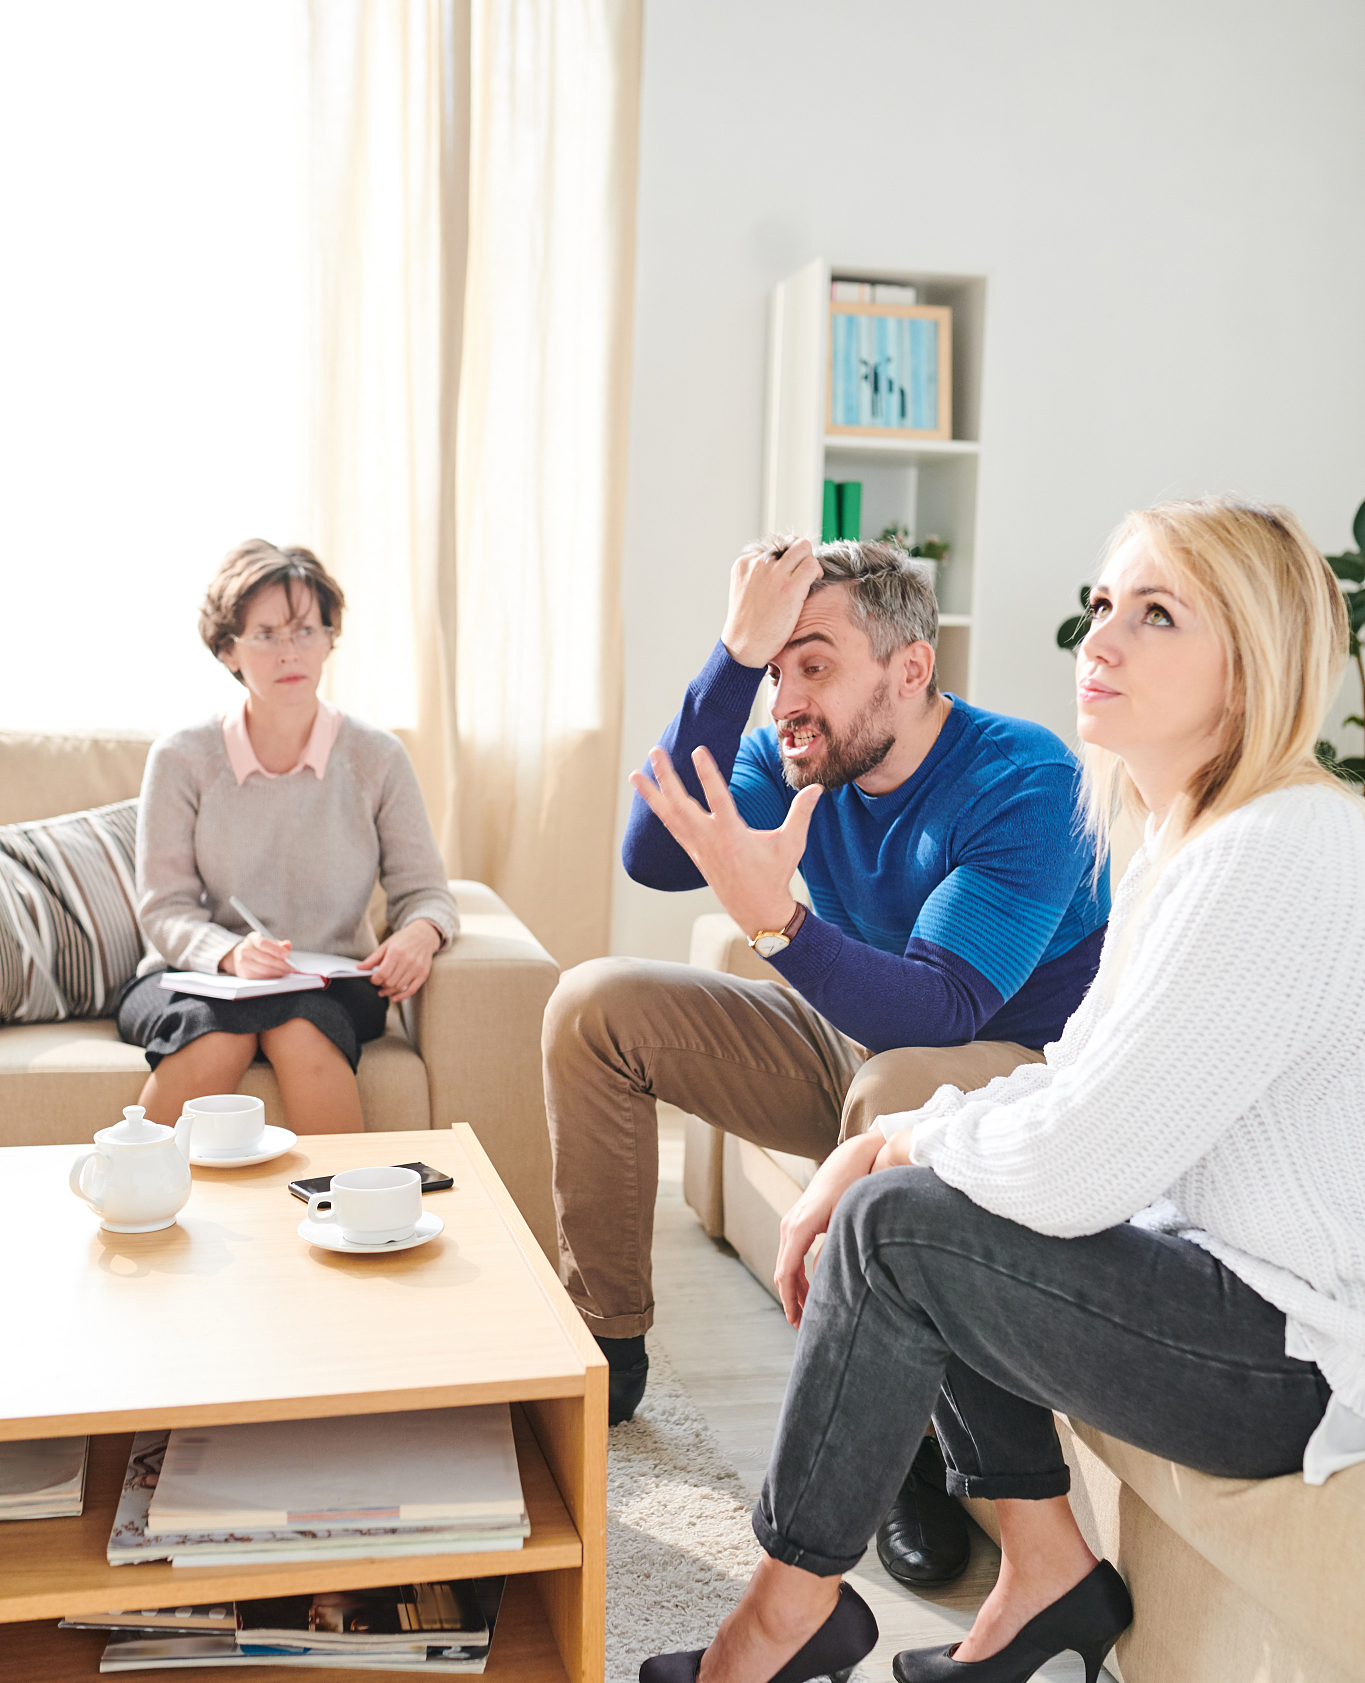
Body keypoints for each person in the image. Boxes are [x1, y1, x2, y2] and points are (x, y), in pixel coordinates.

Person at [637, 494, 1365, 1683]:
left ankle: (787, 1606)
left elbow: (1073, 1159)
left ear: (1252, 661)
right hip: (1219, 1282)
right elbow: (1078, 1076)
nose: (1100, 639)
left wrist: (883, 1141)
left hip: (1292, 1353)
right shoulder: (1188, 837)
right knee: (921, 1187)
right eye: (1101, 607)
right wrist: (887, 1141)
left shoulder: (1277, 853)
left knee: (899, 1220)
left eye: (1155, 613)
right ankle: (1047, 1571)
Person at [543, 535, 1108, 1587]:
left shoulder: (1024, 781)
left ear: (909, 670)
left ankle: (896, 1449)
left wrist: (780, 922)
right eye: (774, 667)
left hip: (1019, 1069)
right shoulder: (800, 751)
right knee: (593, 1004)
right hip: (858, 1039)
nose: (785, 697)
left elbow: (943, 1008)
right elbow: (653, 852)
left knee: (898, 1081)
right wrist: (732, 650)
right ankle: (608, 1347)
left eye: (815, 663)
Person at [117, 540, 458, 1132]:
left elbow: (427, 892)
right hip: (200, 979)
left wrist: (419, 936)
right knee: (216, 1038)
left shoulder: (377, 758)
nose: (289, 652)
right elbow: (164, 909)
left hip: (331, 981)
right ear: (229, 650)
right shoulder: (181, 757)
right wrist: (229, 953)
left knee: (301, 1029)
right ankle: (133, 1208)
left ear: (329, 638)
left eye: (305, 630)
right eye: (266, 634)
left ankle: (344, 1217)